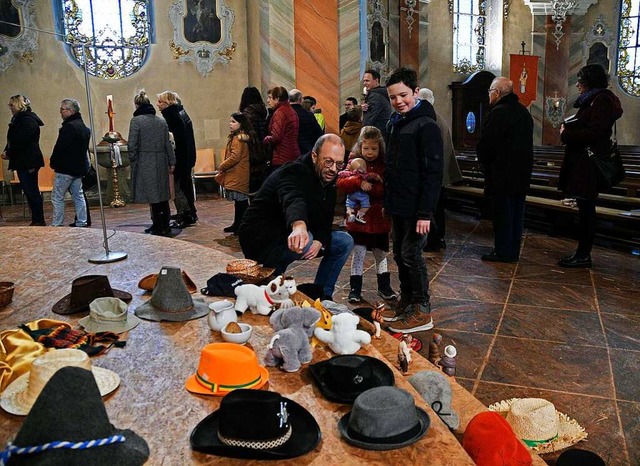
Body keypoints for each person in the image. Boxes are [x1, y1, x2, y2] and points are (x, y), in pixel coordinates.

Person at [238, 134, 354, 301]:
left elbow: (325, 221)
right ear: (314, 156)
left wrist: (320, 240)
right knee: (305, 239)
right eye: (328, 161)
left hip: (291, 233)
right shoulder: (294, 171)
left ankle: (321, 296)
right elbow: (292, 197)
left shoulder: (328, 179)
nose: (334, 169)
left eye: (339, 164)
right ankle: (270, 287)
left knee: (344, 241)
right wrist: (299, 225)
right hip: (262, 236)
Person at [380, 67, 443, 333]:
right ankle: (407, 304)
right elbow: (392, 168)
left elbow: (433, 172)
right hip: (399, 204)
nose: (398, 101)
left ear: (416, 92)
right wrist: (388, 201)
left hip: (418, 207)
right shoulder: (395, 123)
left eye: (403, 95)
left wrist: (425, 213)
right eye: (393, 97)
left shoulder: (426, 125)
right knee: (398, 253)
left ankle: (422, 309)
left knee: (411, 253)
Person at [558, 64, 623, 268]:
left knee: (587, 210)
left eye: (581, 80)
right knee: (584, 209)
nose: (577, 84)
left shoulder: (601, 100)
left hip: (589, 165)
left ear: (590, 81)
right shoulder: (592, 99)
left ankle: (584, 255)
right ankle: (581, 253)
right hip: (583, 163)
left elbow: (596, 132)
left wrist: (566, 134)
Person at [476, 77, 534, 263]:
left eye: (490, 91)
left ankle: (502, 252)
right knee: (517, 216)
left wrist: (483, 160)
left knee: (502, 215)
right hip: (521, 174)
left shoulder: (498, 113)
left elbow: (487, 145)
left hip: (502, 174)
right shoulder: (523, 112)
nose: (489, 95)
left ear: (497, 93)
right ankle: (512, 251)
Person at [336, 126, 396, 303]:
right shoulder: (354, 162)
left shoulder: (384, 165)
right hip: (359, 220)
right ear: (360, 146)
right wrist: (358, 182)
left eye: (374, 149)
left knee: (380, 253)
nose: (370, 153)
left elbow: (386, 190)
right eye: (366, 148)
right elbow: (341, 182)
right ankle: (355, 288)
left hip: (378, 217)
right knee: (359, 252)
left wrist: (375, 185)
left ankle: (384, 287)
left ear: (380, 148)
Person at [418, 88, 463, 252]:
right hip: (440, 173)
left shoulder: (428, 119)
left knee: (432, 208)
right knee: (438, 208)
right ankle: (439, 237)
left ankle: (434, 239)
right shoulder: (440, 118)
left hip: (432, 174)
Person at [127, 90, 176, 236]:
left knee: (152, 195)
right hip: (160, 160)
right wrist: (171, 161)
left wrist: (133, 159)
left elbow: (132, 144)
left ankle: (158, 225)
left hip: (144, 161)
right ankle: (163, 224)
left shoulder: (136, 121)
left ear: (137, 105)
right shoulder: (161, 121)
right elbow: (167, 143)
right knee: (161, 195)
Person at [2, 94, 46, 226]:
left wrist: (10, 152)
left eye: (11, 104)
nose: (10, 107)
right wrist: (7, 150)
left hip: (28, 160)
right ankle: (36, 219)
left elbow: (22, 140)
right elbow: (13, 139)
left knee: (31, 191)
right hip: (23, 160)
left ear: (18, 105)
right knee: (29, 191)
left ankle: (38, 220)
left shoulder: (27, 120)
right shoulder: (19, 119)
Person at [157, 91, 197, 228]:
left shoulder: (172, 117)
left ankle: (185, 214)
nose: (158, 104)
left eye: (160, 102)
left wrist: (172, 161)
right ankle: (187, 212)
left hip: (179, 159)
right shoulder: (177, 114)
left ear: (168, 103)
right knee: (182, 186)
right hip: (183, 158)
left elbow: (175, 142)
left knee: (179, 187)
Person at [49, 98, 90, 227]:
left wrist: (53, 162)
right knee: (78, 196)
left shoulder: (69, 127)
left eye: (62, 109)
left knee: (57, 197)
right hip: (78, 168)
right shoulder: (84, 127)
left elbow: (60, 148)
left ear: (71, 111)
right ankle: (82, 221)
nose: (60, 112)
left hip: (65, 169)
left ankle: (57, 224)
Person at [215, 112, 256, 234]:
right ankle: (237, 224)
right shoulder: (237, 137)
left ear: (240, 123)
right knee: (239, 203)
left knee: (241, 202)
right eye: (230, 121)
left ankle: (243, 225)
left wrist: (222, 166)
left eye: (233, 122)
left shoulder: (239, 139)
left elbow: (235, 157)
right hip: (237, 173)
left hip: (238, 173)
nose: (230, 124)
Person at [239, 86, 269, 193]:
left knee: (252, 187)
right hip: (264, 149)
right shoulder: (263, 111)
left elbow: (248, 134)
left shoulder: (247, 113)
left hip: (252, 152)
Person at [264, 86, 299, 171]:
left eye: (270, 98)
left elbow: (276, 137)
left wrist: (267, 139)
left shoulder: (280, 113)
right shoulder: (291, 110)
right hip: (293, 154)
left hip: (281, 156)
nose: (268, 101)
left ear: (277, 99)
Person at [289, 89, 323, 155]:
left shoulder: (285, 114)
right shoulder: (308, 115)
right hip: (306, 151)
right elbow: (318, 133)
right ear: (300, 99)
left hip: (289, 152)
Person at [362, 69, 392, 135]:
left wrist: (363, 134)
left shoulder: (375, 96)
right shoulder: (381, 93)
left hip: (375, 135)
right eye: (364, 81)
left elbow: (369, 120)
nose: (364, 83)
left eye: (367, 81)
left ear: (376, 81)